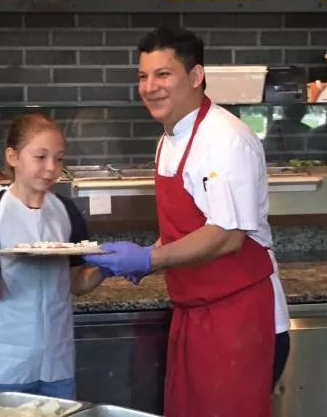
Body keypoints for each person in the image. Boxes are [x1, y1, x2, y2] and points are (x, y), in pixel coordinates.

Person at [85, 26, 290, 417]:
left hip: (242, 319)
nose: (149, 87)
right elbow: (188, 227)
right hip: (195, 314)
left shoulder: (225, 138)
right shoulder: (168, 139)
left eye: (163, 74)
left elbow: (227, 235)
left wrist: (149, 259)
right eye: (143, 76)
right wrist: (147, 253)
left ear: (195, 76)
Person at [0, 113, 105, 399]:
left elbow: (76, 284)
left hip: (57, 359)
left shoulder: (66, 211)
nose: (51, 168)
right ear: (13, 157)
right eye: (40, 157)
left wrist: (107, 268)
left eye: (59, 158)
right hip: (6, 362)